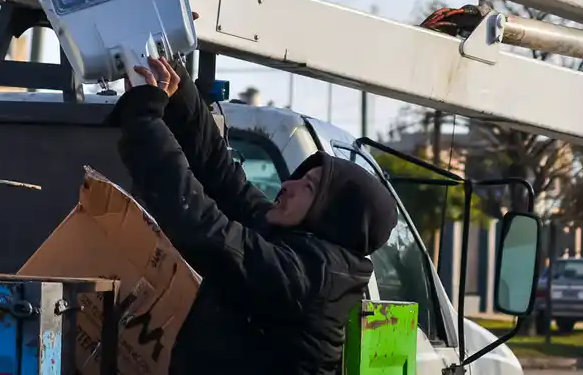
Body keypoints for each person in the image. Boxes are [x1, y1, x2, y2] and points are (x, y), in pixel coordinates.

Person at [111, 56, 398, 375]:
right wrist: (177, 88)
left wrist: (144, 119)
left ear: (334, 215)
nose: (288, 185)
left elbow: (203, 229)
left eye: (309, 186)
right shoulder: (290, 243)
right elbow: (221, 175)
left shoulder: (308, 278)